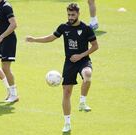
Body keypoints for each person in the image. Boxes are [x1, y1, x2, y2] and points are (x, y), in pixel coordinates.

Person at [26, 3, 99, 132]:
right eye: (69, 14)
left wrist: (80, 55)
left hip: (83, 60)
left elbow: (95, 46)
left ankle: (82, 102)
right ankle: (67, 123)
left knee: (87, 75)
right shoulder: (64, 27)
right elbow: (50, 38)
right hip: (69, 63)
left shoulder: (86, 28)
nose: (70, 17)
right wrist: (34, 39)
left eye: (73, 15)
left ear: (78, 14)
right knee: (66, 92)